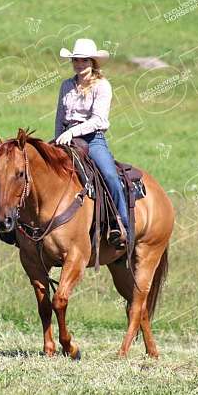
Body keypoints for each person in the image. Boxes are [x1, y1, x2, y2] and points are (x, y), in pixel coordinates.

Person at [54, 38, 129, 249]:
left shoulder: (102, 86)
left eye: (84, 60)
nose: (80, 65)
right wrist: (58, 138)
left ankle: (122, 225)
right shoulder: (66, 85)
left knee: (110, 175)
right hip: (66, 138)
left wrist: (73, 132)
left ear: (93, 62)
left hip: (92, 139)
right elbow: (60, 116)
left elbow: (99, 120)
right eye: (76, 61)